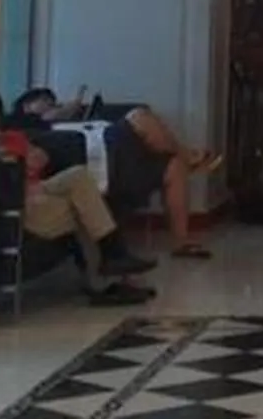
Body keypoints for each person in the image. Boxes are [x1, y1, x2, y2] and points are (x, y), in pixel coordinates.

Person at [13, 89, 218, 258]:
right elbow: (37, 155)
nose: (52, 104)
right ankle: (189, 157)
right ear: (26, 106)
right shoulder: (26, 126)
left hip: (109, 149)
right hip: (100, 159)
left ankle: (181, 242)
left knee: (174, 167)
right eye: (45, 102)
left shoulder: (56, 126)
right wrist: (71, 105)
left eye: (53, 101)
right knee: (140, 117)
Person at [17, 142, 154, 306]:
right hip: (21, 202)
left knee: (79, 176)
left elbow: (41, 156)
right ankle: (112, 264)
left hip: (41, 189)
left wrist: (32, 156)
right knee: (85, 203)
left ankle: (112, 264)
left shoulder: (10, 136)